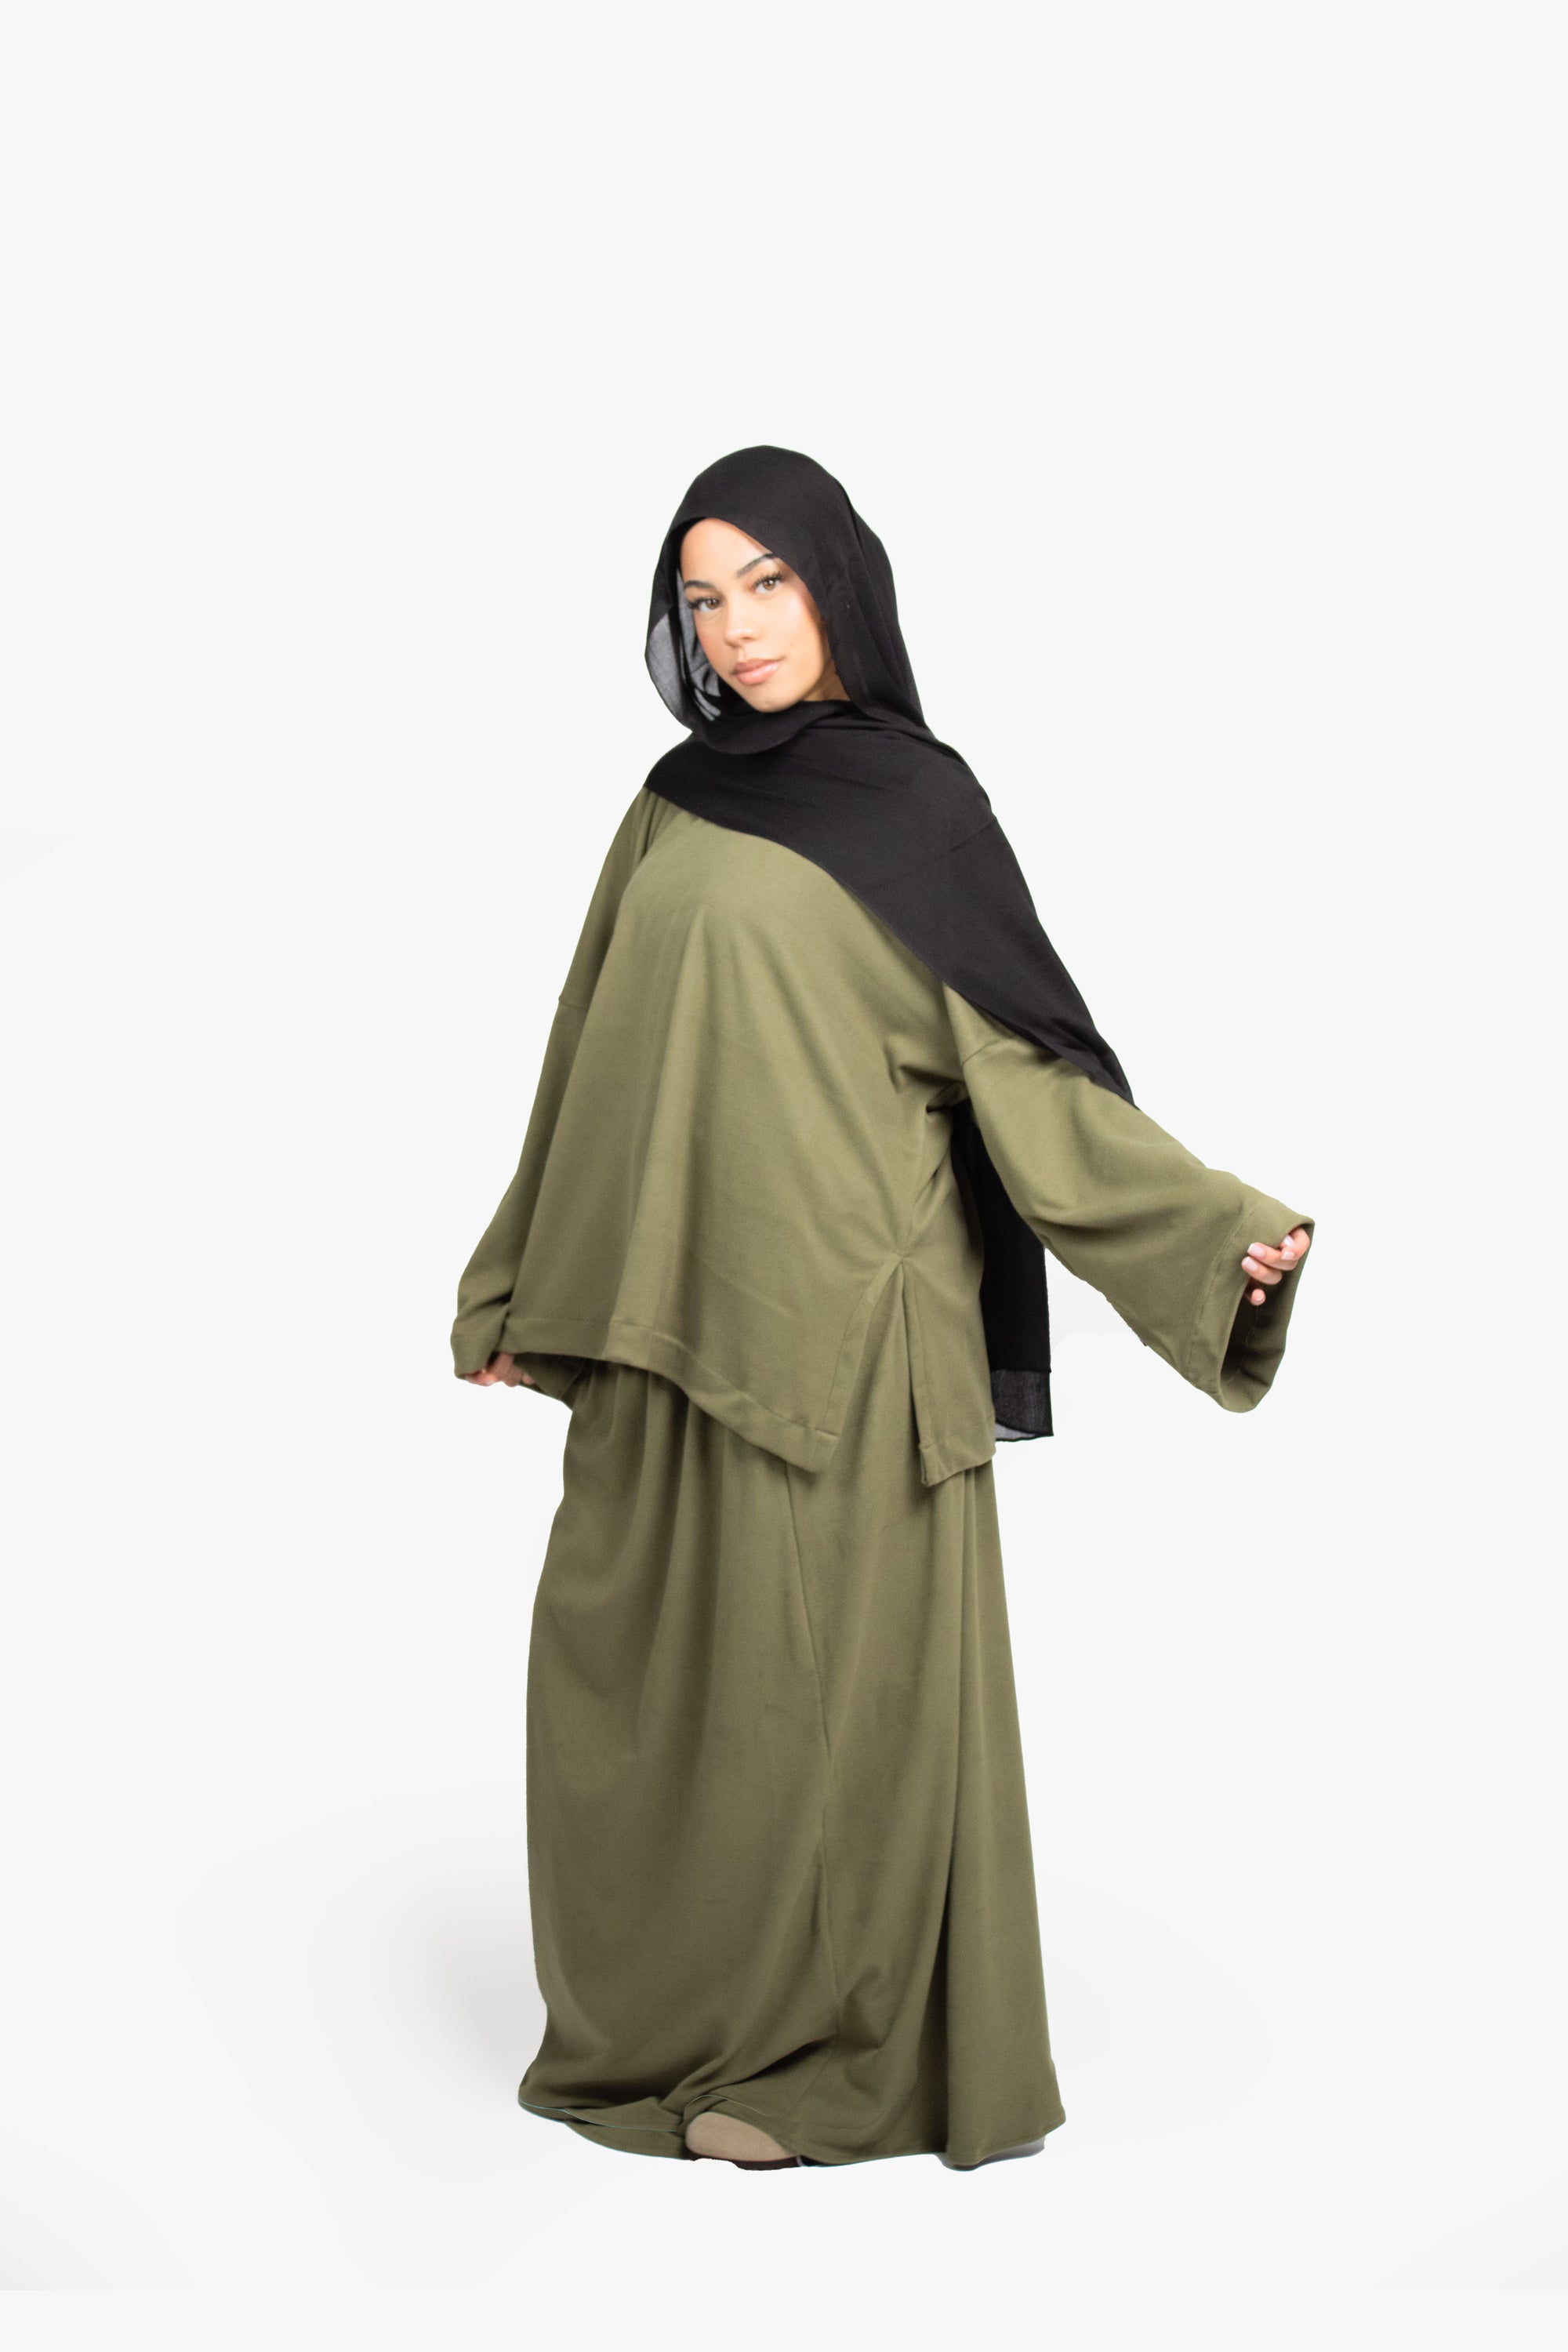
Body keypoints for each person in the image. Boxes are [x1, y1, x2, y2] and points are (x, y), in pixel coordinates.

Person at [451, 446, 1312, 2172]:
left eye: (767, 583)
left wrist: (1213, 1231)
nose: (736, 628)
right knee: (626, 1688)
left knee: (818, 1722)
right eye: (703, 598)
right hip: (661, 1314)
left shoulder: (920, 810)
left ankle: (825, 2068)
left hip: (841, 1338)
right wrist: (520, 1274)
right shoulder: (674, 800)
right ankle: (677, 2024)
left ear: (838, 585)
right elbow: (586, 1038)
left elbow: (1027, 1075)